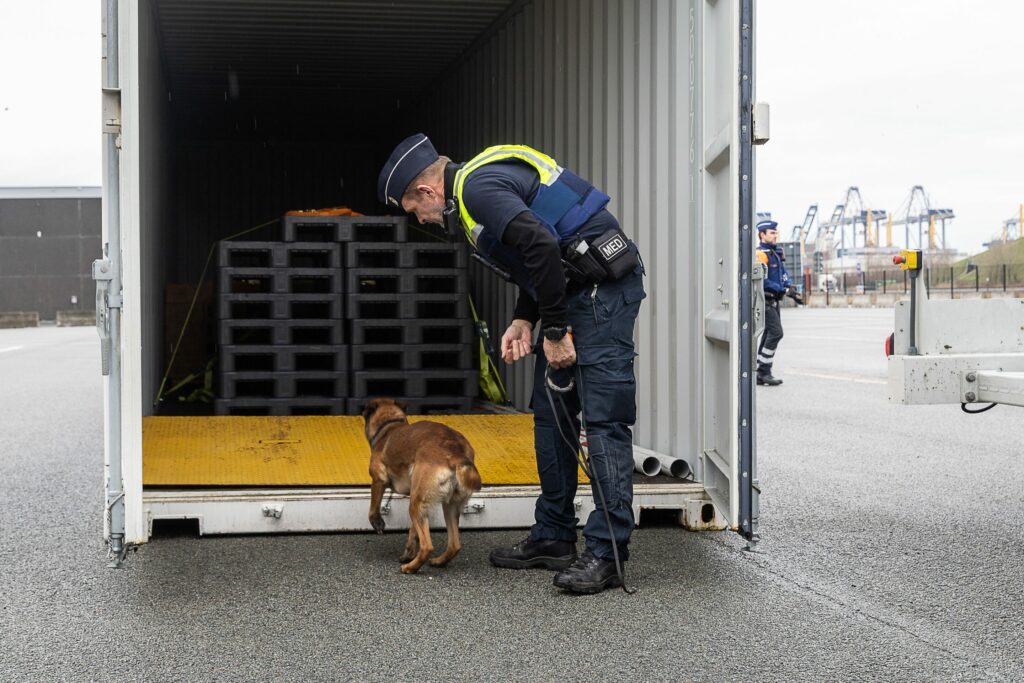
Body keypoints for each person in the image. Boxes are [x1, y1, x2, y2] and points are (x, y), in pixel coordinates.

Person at [377, 134, 645, 594]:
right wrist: (525, 319)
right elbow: (536, 253)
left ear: (426, 191)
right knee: (551, 413)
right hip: (573, 291)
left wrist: (554, 332)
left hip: (602, 293)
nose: (420, 219)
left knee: (604, 421)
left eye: (414, 209)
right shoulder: (473, 193)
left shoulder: (476, 190)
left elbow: (541, 244)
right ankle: (555, 535)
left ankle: (608, 552)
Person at [756, 219, 793, 386]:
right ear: (762, 235)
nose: (775, 235)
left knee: (768, 333)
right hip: (765, 299)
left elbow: (783, 274)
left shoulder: (775, 253)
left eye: (776, 232)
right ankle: (764, 371)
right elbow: (762, 281)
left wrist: (789, 286)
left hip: (774, 300)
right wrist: (782, 289)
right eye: (772, 233)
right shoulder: (760, 254)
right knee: (776, 333)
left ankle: (760, 371)